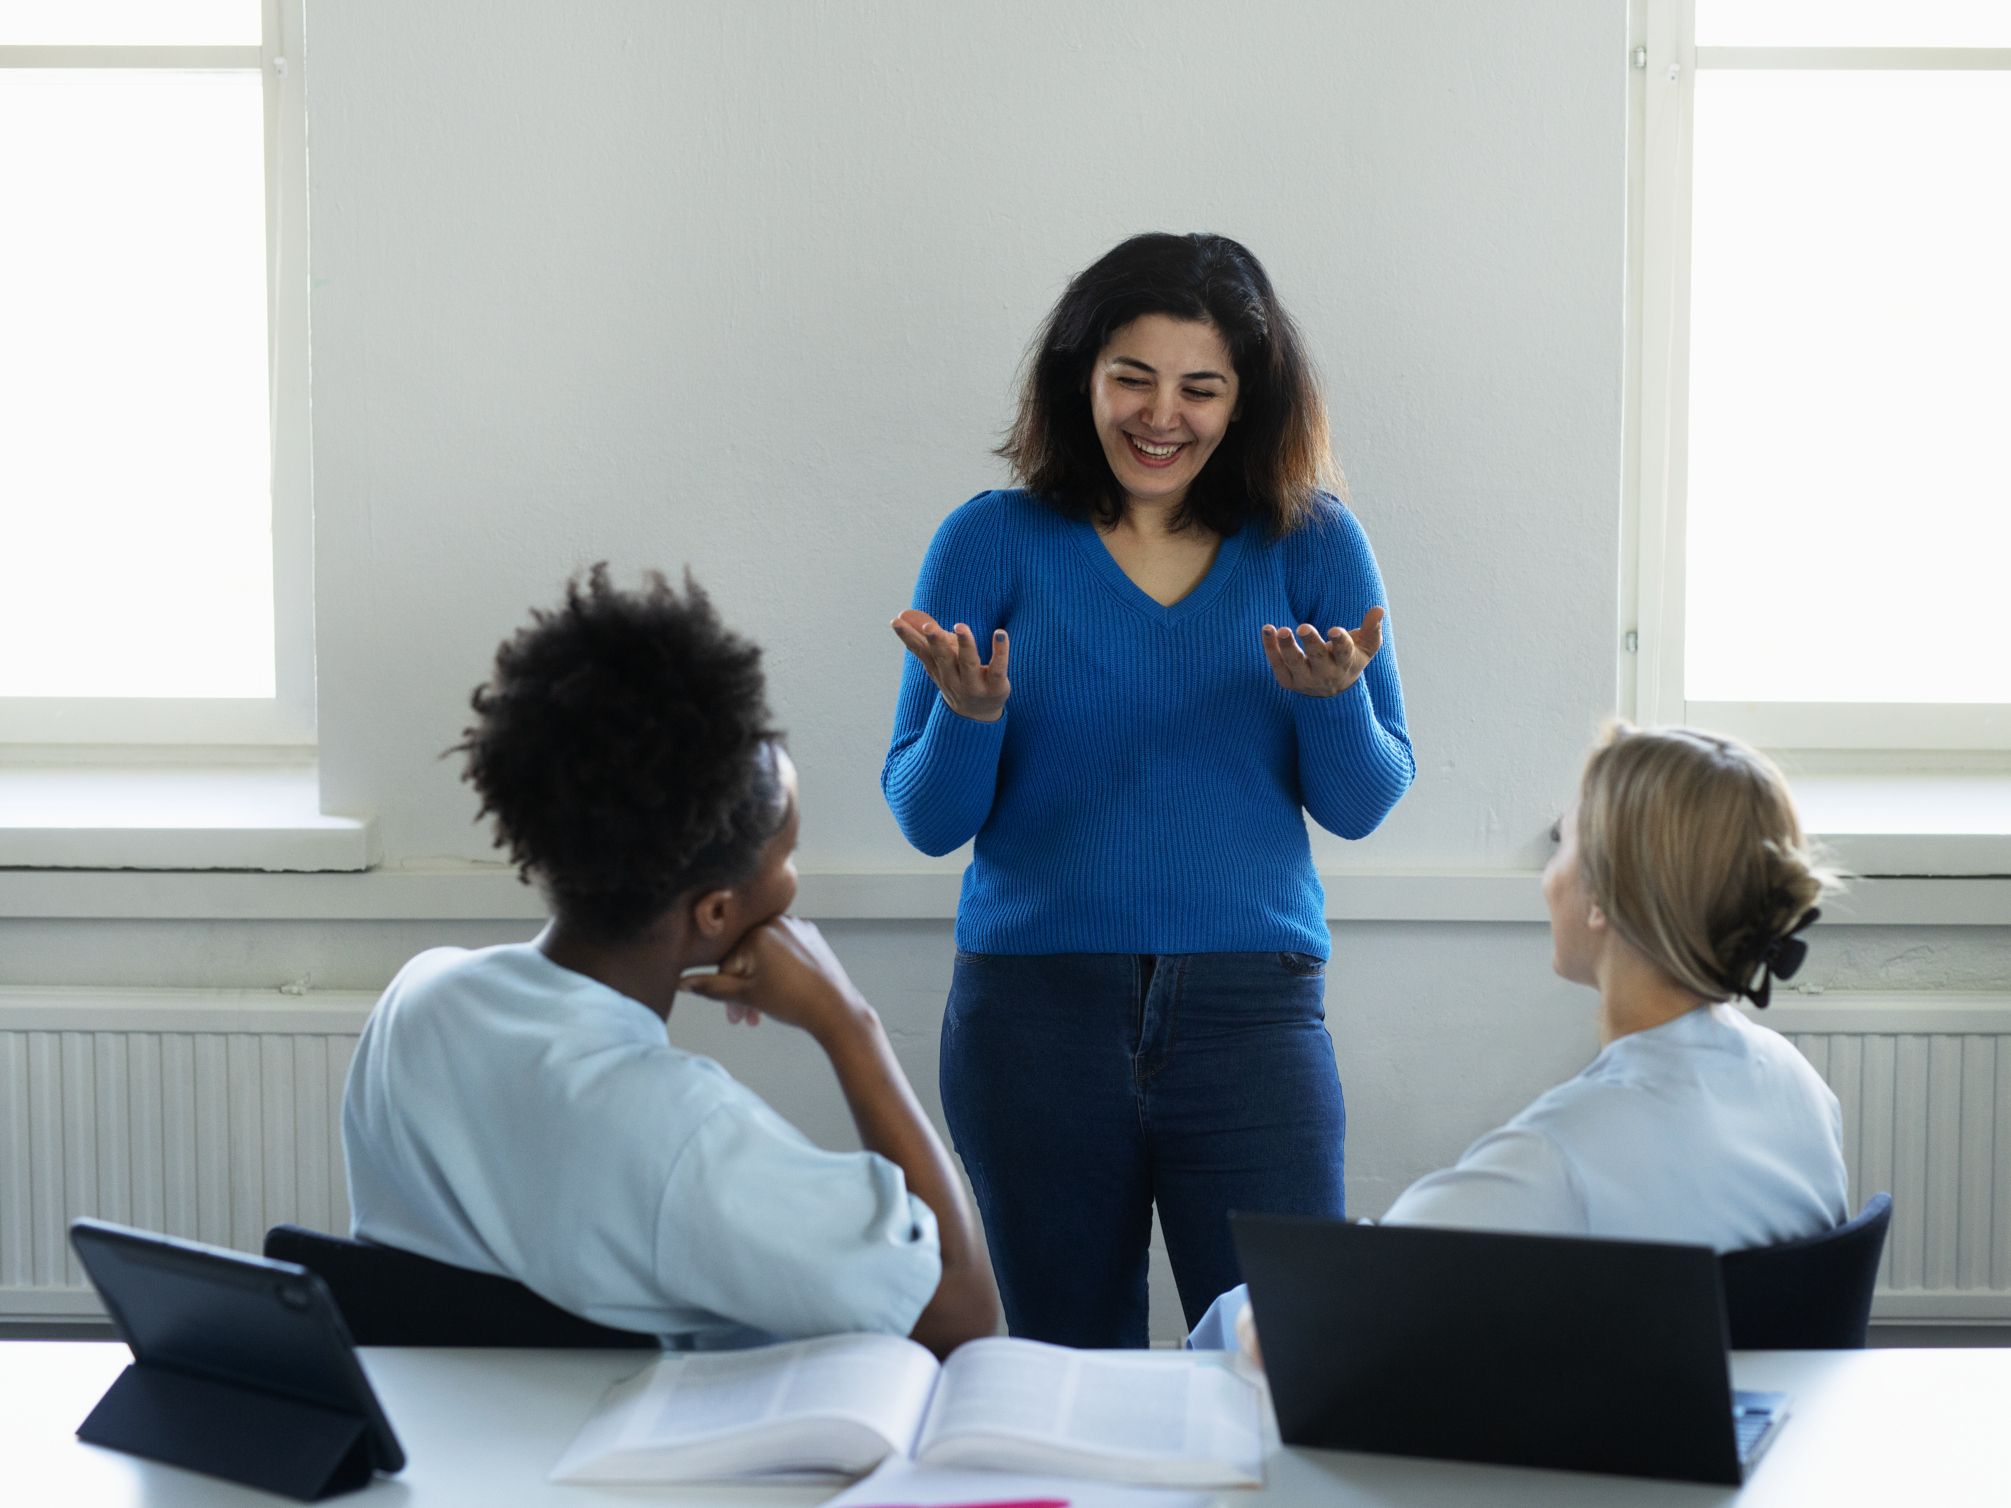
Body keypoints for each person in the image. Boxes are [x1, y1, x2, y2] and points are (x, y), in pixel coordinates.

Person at [875, 232, 1416, 1347]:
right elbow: (927, 818)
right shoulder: (991, 541)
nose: (1159, 414)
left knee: (1289, 1358)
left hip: (1250, 1014)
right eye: (1132, 376)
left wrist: (1326, 700)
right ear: (1081, 375)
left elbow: (1362, 801)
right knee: (1062, 1370)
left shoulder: (1312, 545)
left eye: (1199, 387)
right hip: (1032, 1017)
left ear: (1245, 400)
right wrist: (972, 722)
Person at [342, 567, 999, 1354]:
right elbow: (959, 1305)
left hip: (455, 1453)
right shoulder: (686, 1136)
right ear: (716, 911)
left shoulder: (419, 1001)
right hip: (623, 1466)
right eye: (786, 854)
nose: (793, 879)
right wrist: (846, 1021)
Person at [1190, 722, 1850, 1356]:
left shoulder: (1562, 1157)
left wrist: (1243, 1317)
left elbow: (1310, 1315)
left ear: (1601, 898)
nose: (1548, 873)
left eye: (1563, 841)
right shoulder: (1801, 1092)